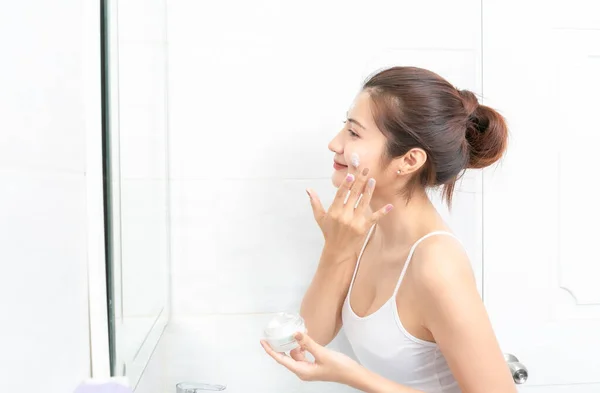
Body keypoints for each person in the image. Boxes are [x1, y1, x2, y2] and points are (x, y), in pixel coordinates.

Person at [260, 66, 516, 393]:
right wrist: (336, 249)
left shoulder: (437, 265)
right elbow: (311, 337)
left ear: (409, 161)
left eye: (353, 133)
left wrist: (353, 376)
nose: (334, 144)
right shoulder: (366, 228)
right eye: (345, 126)